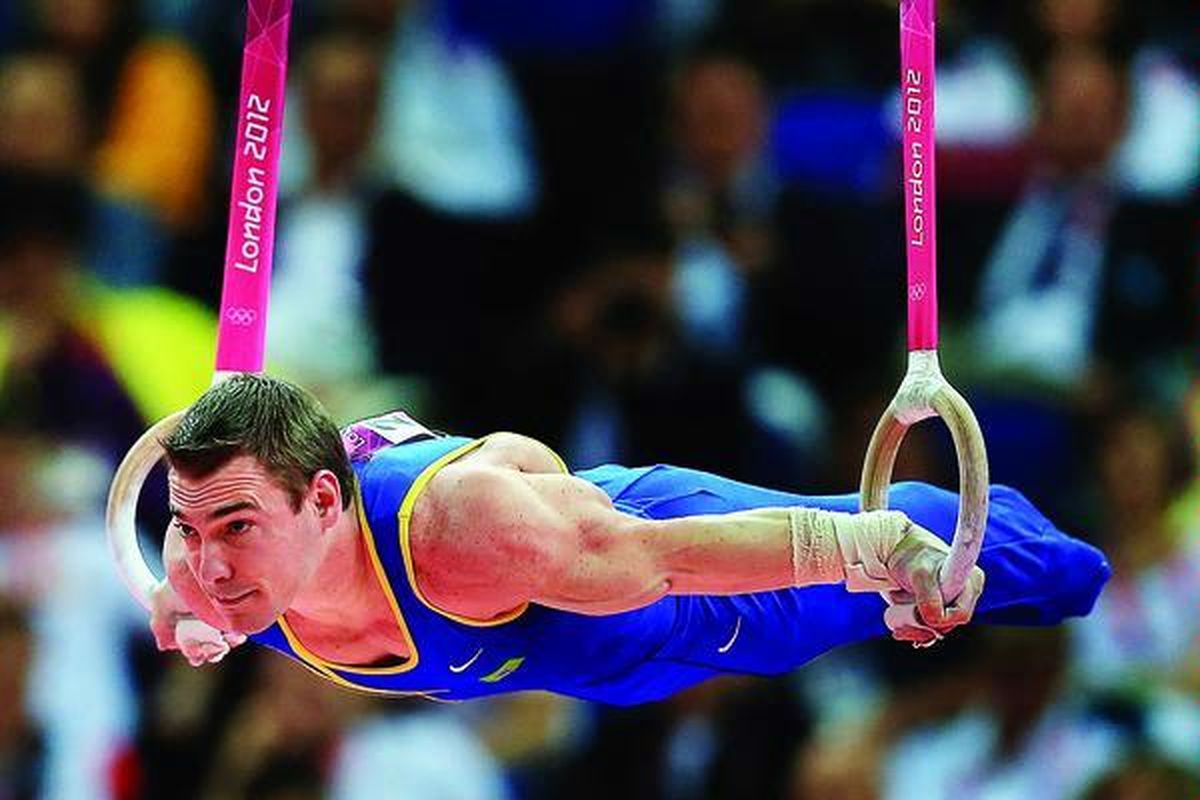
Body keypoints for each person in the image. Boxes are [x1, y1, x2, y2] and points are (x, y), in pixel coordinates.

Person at [148, 374, 1109, 705]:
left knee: (1016, 565)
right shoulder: (205, 574)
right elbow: (195, 579)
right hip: (595, 663)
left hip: (665, 572)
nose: (213, 561)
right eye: (191, 531)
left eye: (236, 526)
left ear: (324, 503)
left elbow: (668, 562)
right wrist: (198, 612)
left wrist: (882, 548)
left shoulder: (463, 537)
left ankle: (1076, 565)